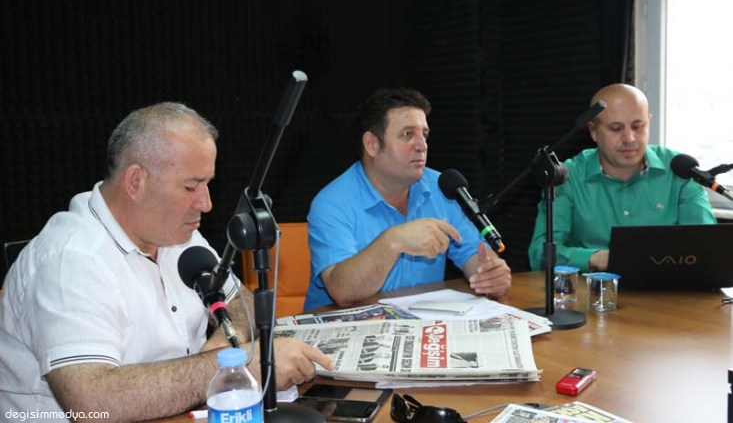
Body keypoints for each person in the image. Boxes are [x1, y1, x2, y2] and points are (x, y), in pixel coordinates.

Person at [0, 102, 333, 421]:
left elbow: (239, 301)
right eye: (191, 186)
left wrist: (219, 349)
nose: (206, 204)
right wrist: (237, 365)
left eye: (207, 184)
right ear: (136, 181)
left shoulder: (175, 233)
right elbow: (93, 403)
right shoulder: (70, 260)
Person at [304, 87, 511, 310]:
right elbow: (344, 292)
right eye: (407, 134)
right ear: (372, 145)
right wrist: (393, 240)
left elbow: (472, 253)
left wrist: (489, 275)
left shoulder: (442, 187)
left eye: (424, 134)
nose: (422, 146)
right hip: (344, 325)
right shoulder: (332, 204)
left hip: (423, 321)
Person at [528, 83, 716, 272]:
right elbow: (539, 254)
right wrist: (596, 258)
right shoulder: (567, 176)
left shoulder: (681, 170)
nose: (629, 138)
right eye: (616, 128)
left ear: (649, 122)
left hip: (668, 286)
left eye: (638, 126)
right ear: (593, 130)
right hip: (592, 288)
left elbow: (708, 248)